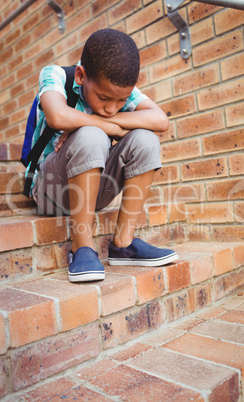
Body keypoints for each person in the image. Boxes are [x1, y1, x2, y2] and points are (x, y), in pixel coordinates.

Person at [30, 28, 178, 283]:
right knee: (91, 135)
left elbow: (160, 120)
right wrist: (103, 127)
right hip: (49, 189)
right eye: (104, 98)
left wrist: (95, 119)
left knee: (146, 138)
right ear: (81, 75)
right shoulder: (55, 75)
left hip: (93, 189)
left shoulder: (118, 92)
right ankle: (82, 247)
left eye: (120, 101)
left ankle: (123, 243)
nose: (112, 108)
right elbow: (58, 115)